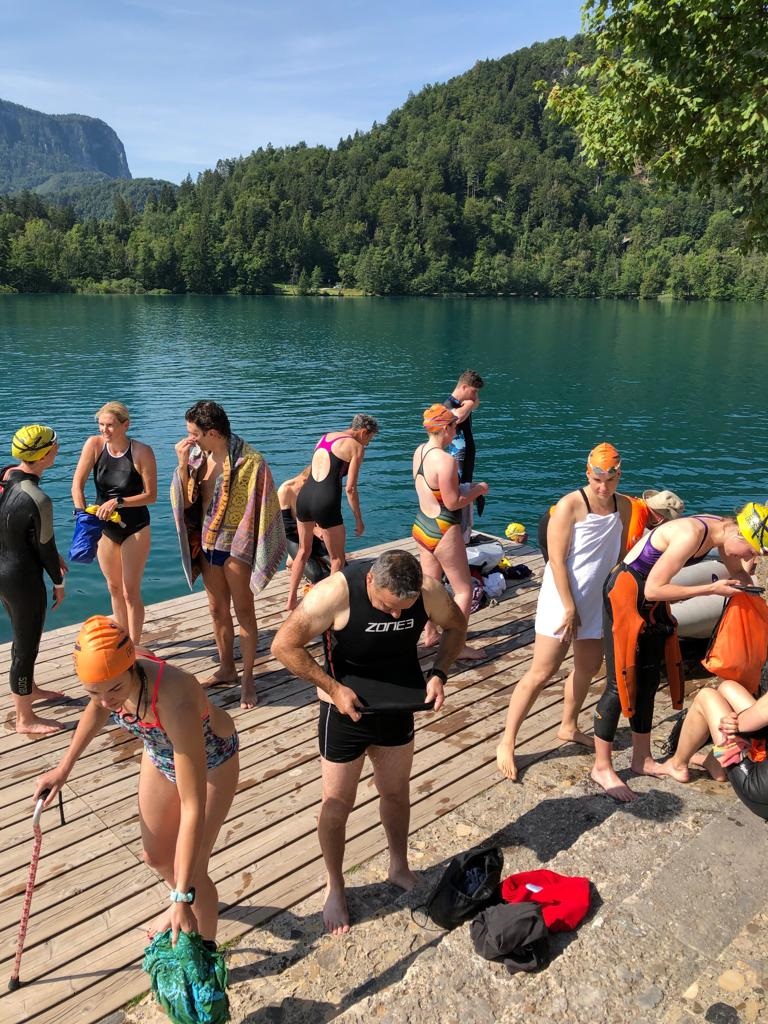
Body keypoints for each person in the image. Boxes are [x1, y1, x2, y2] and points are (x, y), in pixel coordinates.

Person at [271, 549, 467, 935]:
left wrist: (440, 673)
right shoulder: (334, 594)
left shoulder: (427, 591)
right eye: (388, 608)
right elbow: (283, 645)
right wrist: (332, 687)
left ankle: (398, 865)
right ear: (369, 583)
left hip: (398, 705)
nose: (397, 616)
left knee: (395, 793)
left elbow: (457, 626)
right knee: (336, 803)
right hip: (344, 712)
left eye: (404, 610)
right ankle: (335, 886)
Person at [34, 615, 238, 945]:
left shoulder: (175, 702)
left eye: (115, 688)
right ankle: (187, 898)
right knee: (156, 857)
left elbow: (192, 808)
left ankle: (204, 951)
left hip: (213, 759)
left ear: (132, 667)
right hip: (159, 751)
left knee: (194, 874)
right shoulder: (108, 681)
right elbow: (98, 709)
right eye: (93, 690)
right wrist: (64, 767)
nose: (106, 700)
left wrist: (182, 897)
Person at [592, 500, 768, 802]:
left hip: (651, 602)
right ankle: (602, 767)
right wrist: (710, 589)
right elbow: (653, 589)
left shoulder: (726, 532)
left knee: (647, 680)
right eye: (752, 552)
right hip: (627, 593)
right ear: (739, 535)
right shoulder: (691, 533)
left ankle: (642, 759)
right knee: (619, 683)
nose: (752, 558)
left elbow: (738, 575)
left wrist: (753, 598)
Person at [496, 443, 631, 781]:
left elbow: (617, 556)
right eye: (598, 479)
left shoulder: (625, 506)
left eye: (610, 480)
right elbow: (556, 561)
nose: (603, 487)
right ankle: (507, 740)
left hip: (596, 602)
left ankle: (568, 726)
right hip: (562, 600)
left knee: (587, 668)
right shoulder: (571, 505)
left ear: (619, 477)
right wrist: (570, 607)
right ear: (588, 473)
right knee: (542, 672)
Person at [171, 400, 285, 709]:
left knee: (244, 612)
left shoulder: (251, 462)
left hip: (238, 545)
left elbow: (265, 506)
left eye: (193, 433)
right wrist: (182, 465)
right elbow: (186, 499)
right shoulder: (196, 457)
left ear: (211, 432)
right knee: (216, 610)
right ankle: (226, 667)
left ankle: (248, 678)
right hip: (208, 544)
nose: (188, 439)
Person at [0, 425, 68, 735]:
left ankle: (31, 690)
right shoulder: (38, 499)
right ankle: (24, 719)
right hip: (23, 578)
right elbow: (46, 546)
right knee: (26, 647)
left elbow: (15, 528)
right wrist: (58, 582)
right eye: (54, 445)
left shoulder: (5, 476)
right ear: (43, 455)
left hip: (4, 569)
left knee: (21, 637)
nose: (57, 449)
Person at [71, 402, 157, 644]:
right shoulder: (94, 445)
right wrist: (82, 515)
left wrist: (118, 501)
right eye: (101, 425)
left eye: (110, 425)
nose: (104, 430)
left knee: (130, 591)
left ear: (125, 425)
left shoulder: (142, 451)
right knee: (114, 588)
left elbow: (151, 495)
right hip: (104, 528)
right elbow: (77, 486)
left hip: (135, 527)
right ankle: (122, 642)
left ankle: (135, 646)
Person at [412, 405, 490, 659]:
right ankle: (456, 647)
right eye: (454, 427)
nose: (456, 431)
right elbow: (454, 502)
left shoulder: (419, 452)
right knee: (463, 590)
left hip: (422, 524)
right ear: (445, 428)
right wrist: (478, 489)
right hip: (443, 528)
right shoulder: (445, 460)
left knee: (430, 585)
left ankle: (430, 633)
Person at [285, 415, 379, 611]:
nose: (368, 444)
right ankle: (329, 606)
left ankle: (291, 600)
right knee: (337, 559)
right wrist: (359, 519)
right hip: (326, 502)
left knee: (303, 552)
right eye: (370, 439)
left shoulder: (325, 437)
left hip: (305, 497)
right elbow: (350, 488)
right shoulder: (356, 447)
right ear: (363, 432)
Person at [660, 676, 768, 820]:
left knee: (707, 697)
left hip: (758, 792)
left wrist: (734, 722)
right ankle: (715, 764)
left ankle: (677, 765)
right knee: (727, 687)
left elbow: (745, 726)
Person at [537, 486, 685, 562]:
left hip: (552, 517)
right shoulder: (638, 517)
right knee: (559, 570)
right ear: (660, 518)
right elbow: (623, 556)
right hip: (556, 525)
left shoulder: (635, 504)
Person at [444, 369, 485, 538]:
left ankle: (465, 534)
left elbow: (476, 404)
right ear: (463, 387)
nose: (475, 396)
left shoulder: (463, 403)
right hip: (458, 459)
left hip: (466, 457)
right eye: (473, 391)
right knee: (461, 492)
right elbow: (457, 418)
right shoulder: (448, 405)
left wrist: (470, 403)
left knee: (466, 489)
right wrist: (468, 404)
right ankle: (459, 536)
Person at [278, 466, 331, 584]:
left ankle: (300, 559)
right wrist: (313, 530)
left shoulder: (315, 490)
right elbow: (286, 526)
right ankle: (293, 561)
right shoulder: (286, 490)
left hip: (314, 537)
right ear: (304, 481)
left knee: (340, 565)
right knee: (317, 576)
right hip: (294, 538)